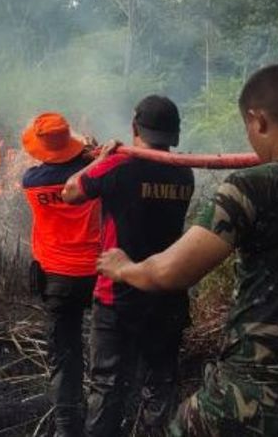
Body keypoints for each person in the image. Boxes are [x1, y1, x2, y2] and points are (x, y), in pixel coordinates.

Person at [96, 64, 278, 436]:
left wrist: (123, 267)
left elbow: (169, 272)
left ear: (258, 120)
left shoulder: (250, 187)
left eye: (247, 127)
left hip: (253, 399)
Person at [61, 95, 194, 437]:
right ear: (174, 135)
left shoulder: (119, 166)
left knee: (107, 386)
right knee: (159, 386)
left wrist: (101, 159)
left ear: (134, 127)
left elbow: (70, 193)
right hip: (166, 295)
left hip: (117, 296)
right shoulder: (185, 174)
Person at [20, 112, 103, 437]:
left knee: (64, 356)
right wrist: (92, 153)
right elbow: (96, 170)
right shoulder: (93, 176)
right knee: (105, 351)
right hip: (98, 274)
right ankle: (103, 421)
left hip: (56, 280)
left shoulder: (32, 182)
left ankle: (68, 428)